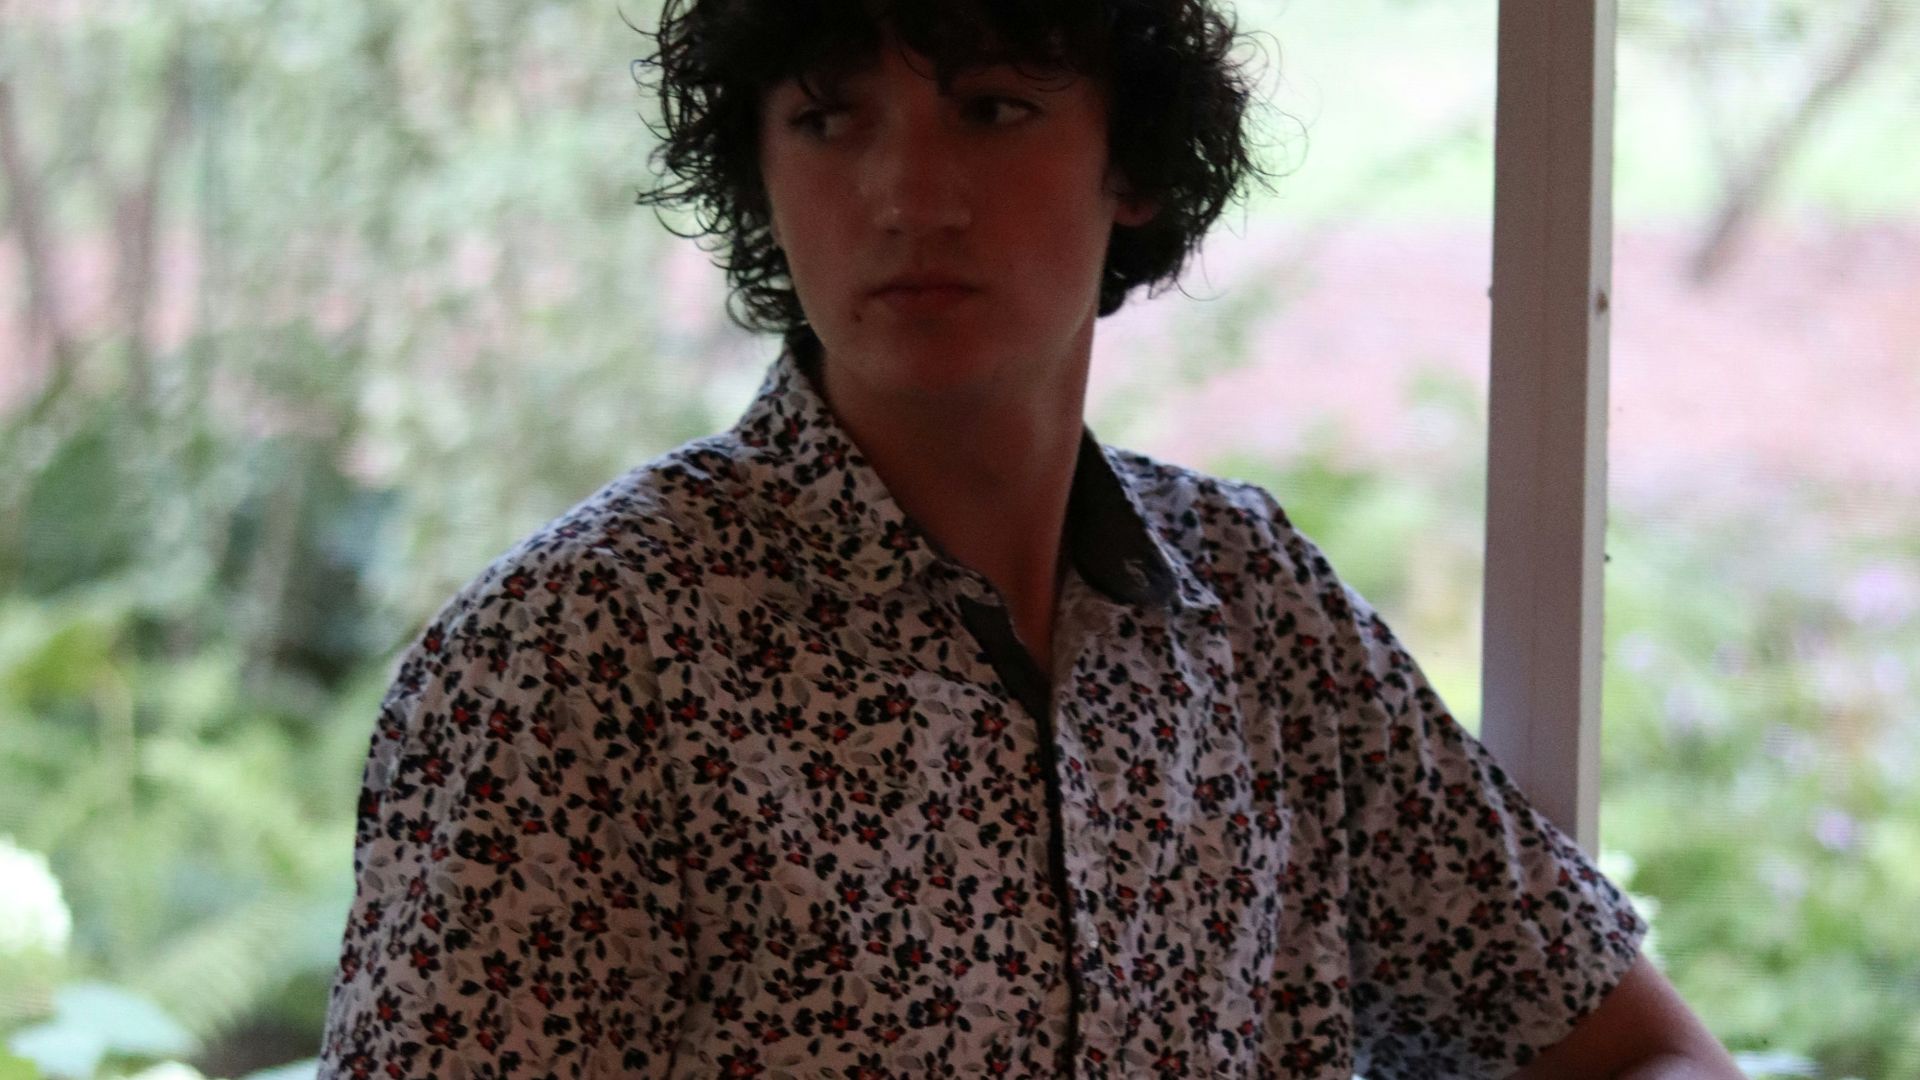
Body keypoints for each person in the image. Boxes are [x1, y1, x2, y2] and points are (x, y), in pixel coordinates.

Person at [317, 1, 1748, 1076]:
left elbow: (1639, 1049)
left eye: (992, 109)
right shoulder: (570, 661)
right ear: (759, 171)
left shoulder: (1255, 608)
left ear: (1134, 164)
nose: (907, 197)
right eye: (828, 120)